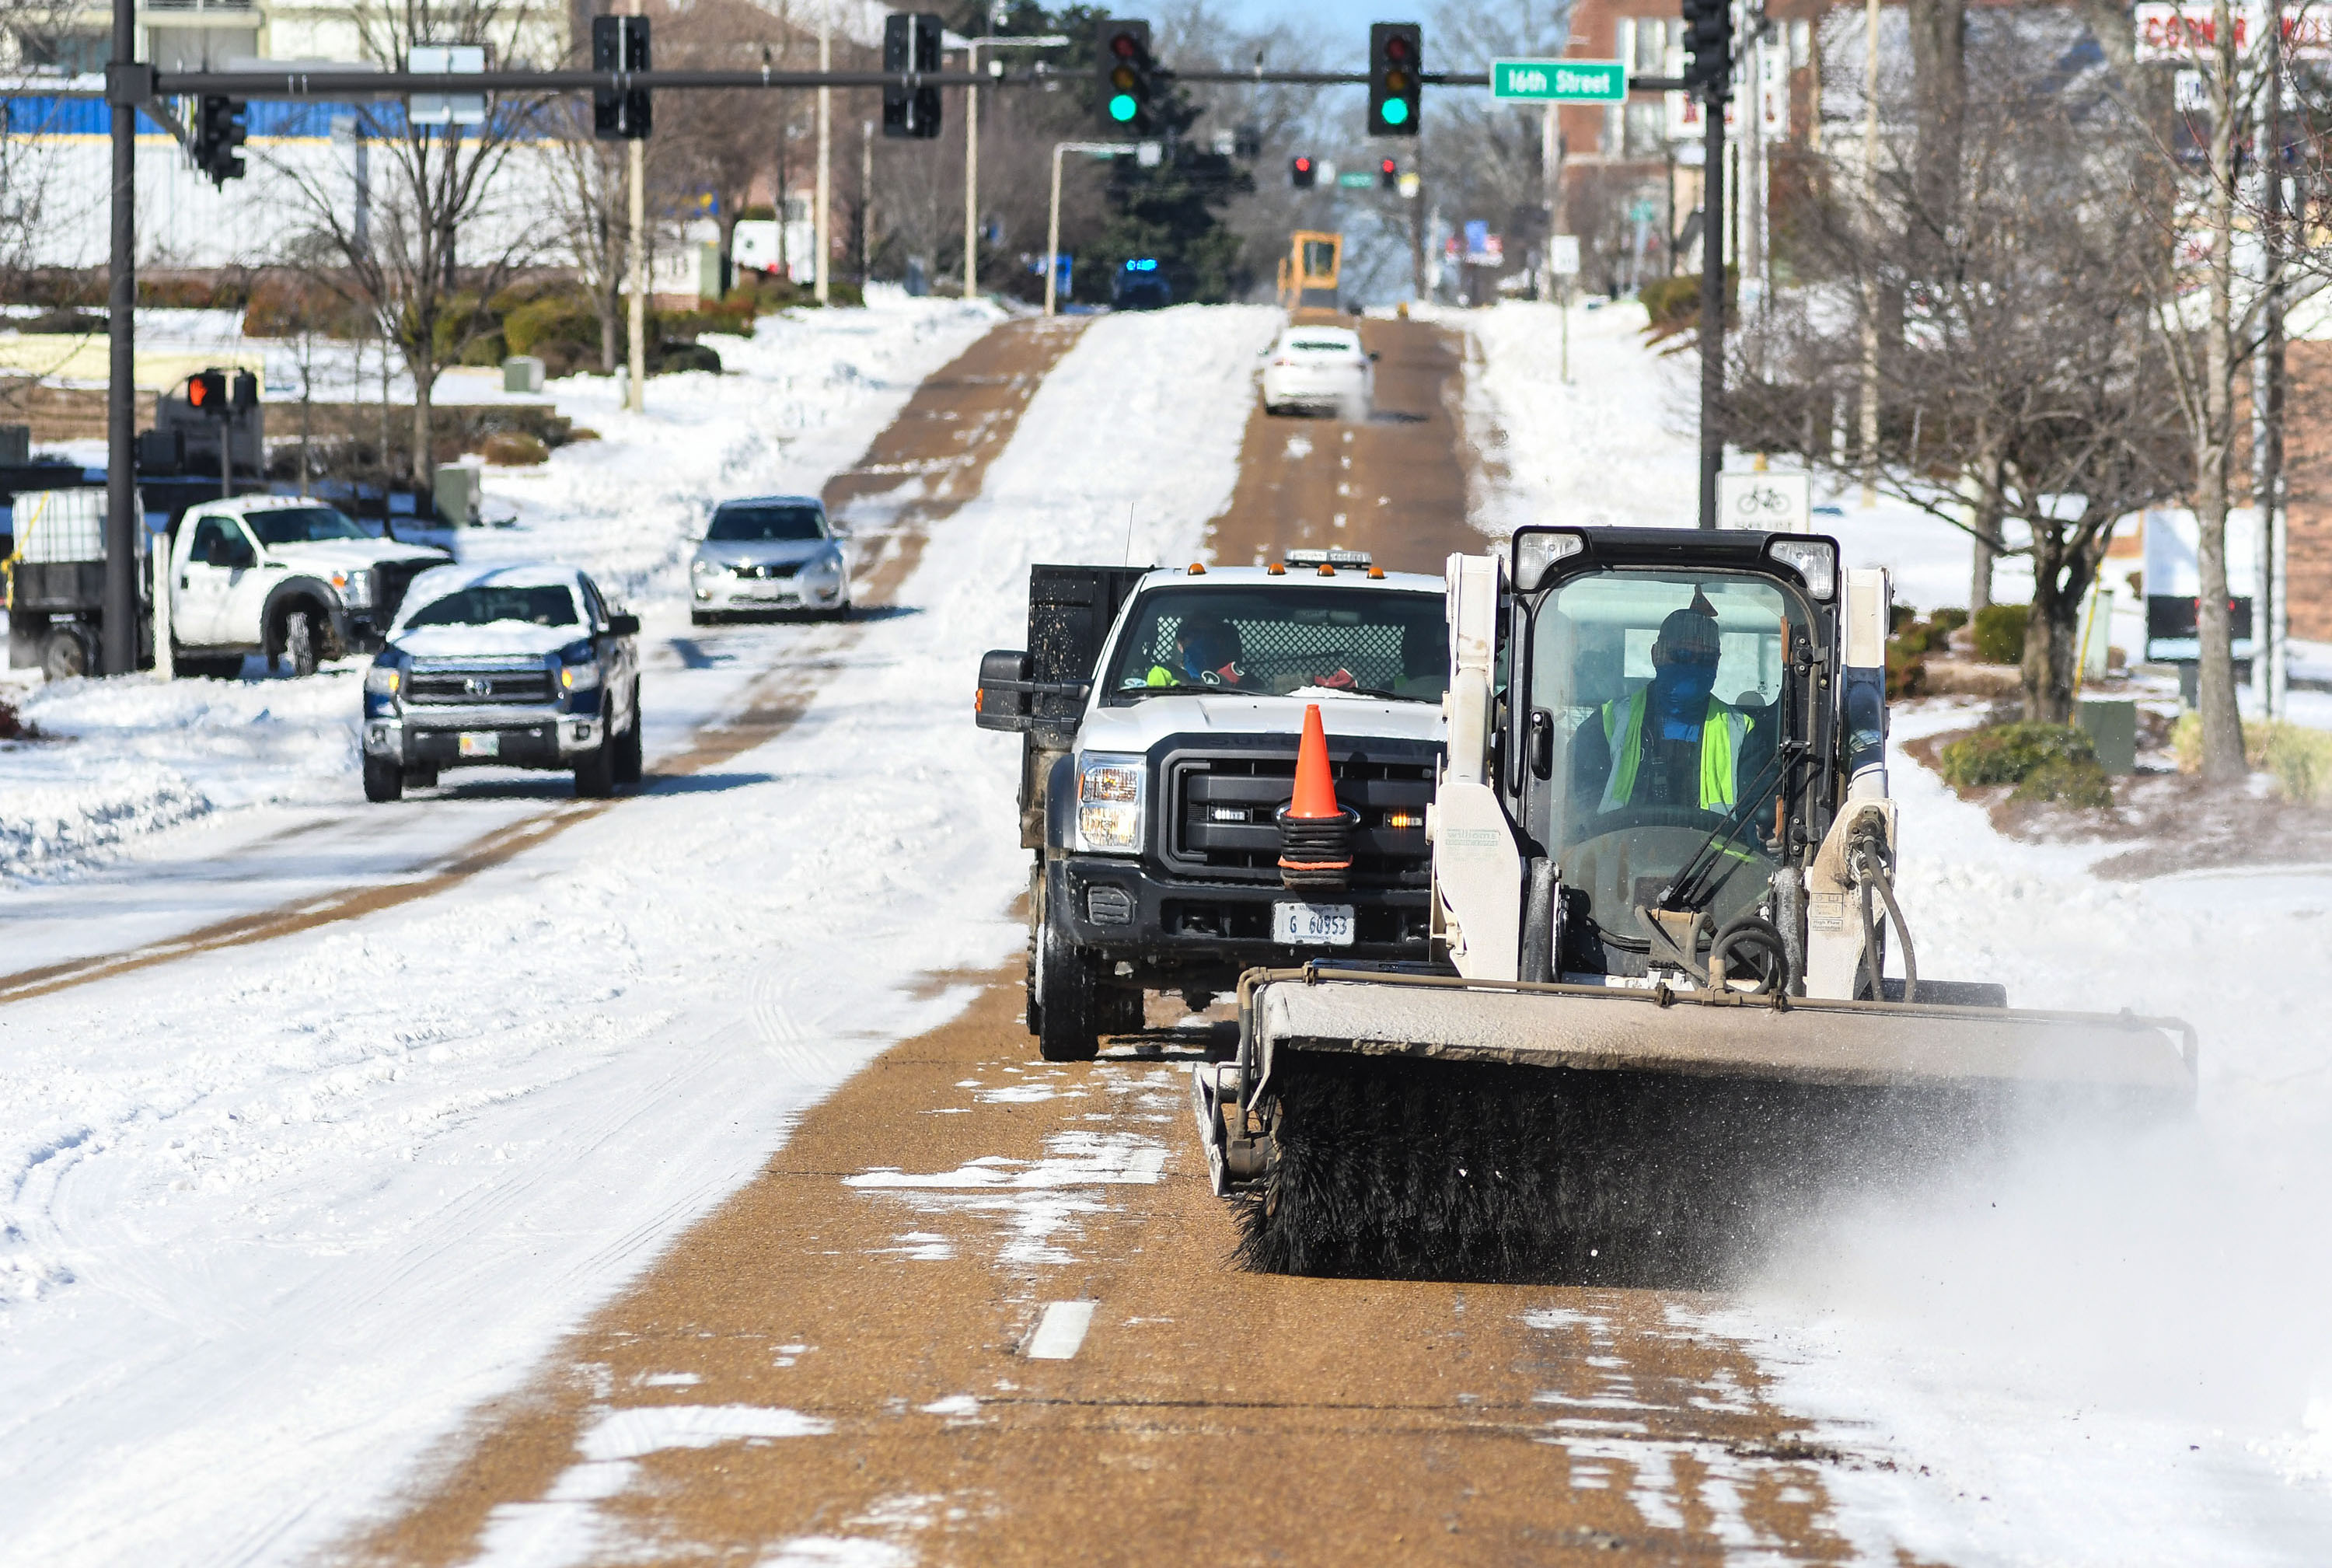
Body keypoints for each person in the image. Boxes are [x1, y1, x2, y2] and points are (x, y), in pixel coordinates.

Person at [1569, 598, 1760, 815]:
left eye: (1706, 658)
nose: (1693, 665)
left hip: (1717, 849)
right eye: (1681, 655)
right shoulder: (1607, 723)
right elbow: (1572, 810)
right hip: (1621, 848)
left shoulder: (1743, 732)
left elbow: (1760, 809)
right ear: (1655, 655)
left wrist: (1769, 829)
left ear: (1717, 662)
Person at [1147, 616, 1245, 687]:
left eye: (1212, 634)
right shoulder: (1167, 677)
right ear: (1180, 643)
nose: (1204, 640)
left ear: (1221, 641)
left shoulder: (1241, 681)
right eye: (1195, 634)